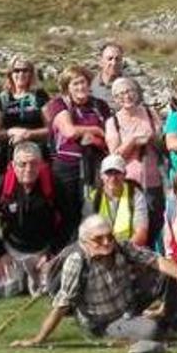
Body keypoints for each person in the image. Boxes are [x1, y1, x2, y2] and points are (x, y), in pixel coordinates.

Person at [11, 214, 177, 347]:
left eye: (109, 236)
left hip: (128, 304)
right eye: (99, 239)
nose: (106, 243)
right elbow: (62, 304)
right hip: (103, 322)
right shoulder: (77, 261)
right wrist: (38, 339)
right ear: (85, 241)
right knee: (150, 331)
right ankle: (157, 322)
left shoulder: (120, 246)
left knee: (169, 272)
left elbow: (157, 260)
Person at [0, 142, 72, 297]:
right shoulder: (0, 185)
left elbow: (70, 219)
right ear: (13, 165)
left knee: (48, 290)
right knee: (5, 291)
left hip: (44, 251)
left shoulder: (53, 183)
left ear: (41, 164)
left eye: (34, 164)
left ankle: (36, 276)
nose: (28, 169)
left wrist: (53, 253)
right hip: (13, 250)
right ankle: (21, 276)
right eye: (22, 164)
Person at [44, 65, 111, 233]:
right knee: (67, 213)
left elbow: (110, 137)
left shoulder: (100, 106)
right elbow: (69, 131)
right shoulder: (59, 104)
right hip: (66, 166)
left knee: (94, 210)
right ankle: (65, 251)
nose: (81, 87)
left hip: (95, 163)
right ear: (67, 87)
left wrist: (96, 140)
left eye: (83, 82)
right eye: (75, 84)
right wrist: (96, 131)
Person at [105, 77, 164, 246]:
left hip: (154, 178)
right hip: (128, 181)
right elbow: (114, 157)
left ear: (137, 93)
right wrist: (132, 142)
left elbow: (162, 141)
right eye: (121, 94)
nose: (126, 96)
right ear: (115, 99)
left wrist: (152, 138)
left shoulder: (150, 114)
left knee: (155, 222)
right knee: (132, 224)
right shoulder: (113, 122)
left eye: (129, 91)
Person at [0, 56, 50, 175]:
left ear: (31, 73)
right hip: (8, 156)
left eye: (25, 70)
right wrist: (10, 132)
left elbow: (51, 128)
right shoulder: (3, 98)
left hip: (35, 155)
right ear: (10, 73)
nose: (21, 74)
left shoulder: (40, 96)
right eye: (16, 70)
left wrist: (29, 134)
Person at [86, 155, 150, 247]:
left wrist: (120, 251)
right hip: (101, 250)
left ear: (125, 174)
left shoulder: (136, 195)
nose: (113, 178)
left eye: (117, 173)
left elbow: (141, 235)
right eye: (108, 173)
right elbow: (88, 235)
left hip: (130, 249)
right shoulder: (93, 198)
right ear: (101, 176)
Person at [91, 42, 124, 108]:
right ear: (101, 62)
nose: (114, 63)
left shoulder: (130, 86)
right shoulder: (90, 85)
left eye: (117, 59)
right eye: (110, 59)